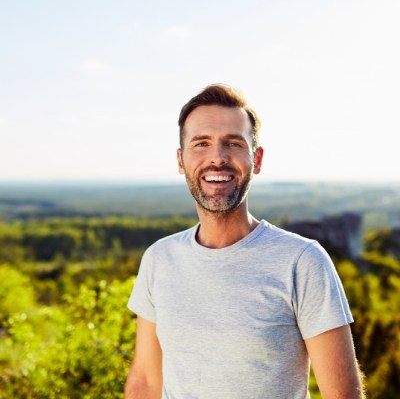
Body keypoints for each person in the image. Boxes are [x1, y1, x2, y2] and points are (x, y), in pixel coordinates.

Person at [124, 84, 366, 399]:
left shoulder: (302, 261)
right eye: (201, 144)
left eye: (234, 143)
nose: (217, 158)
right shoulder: (159, 259)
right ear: (181, 160)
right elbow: (144, 381)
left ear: (257, 159)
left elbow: (343, 395)